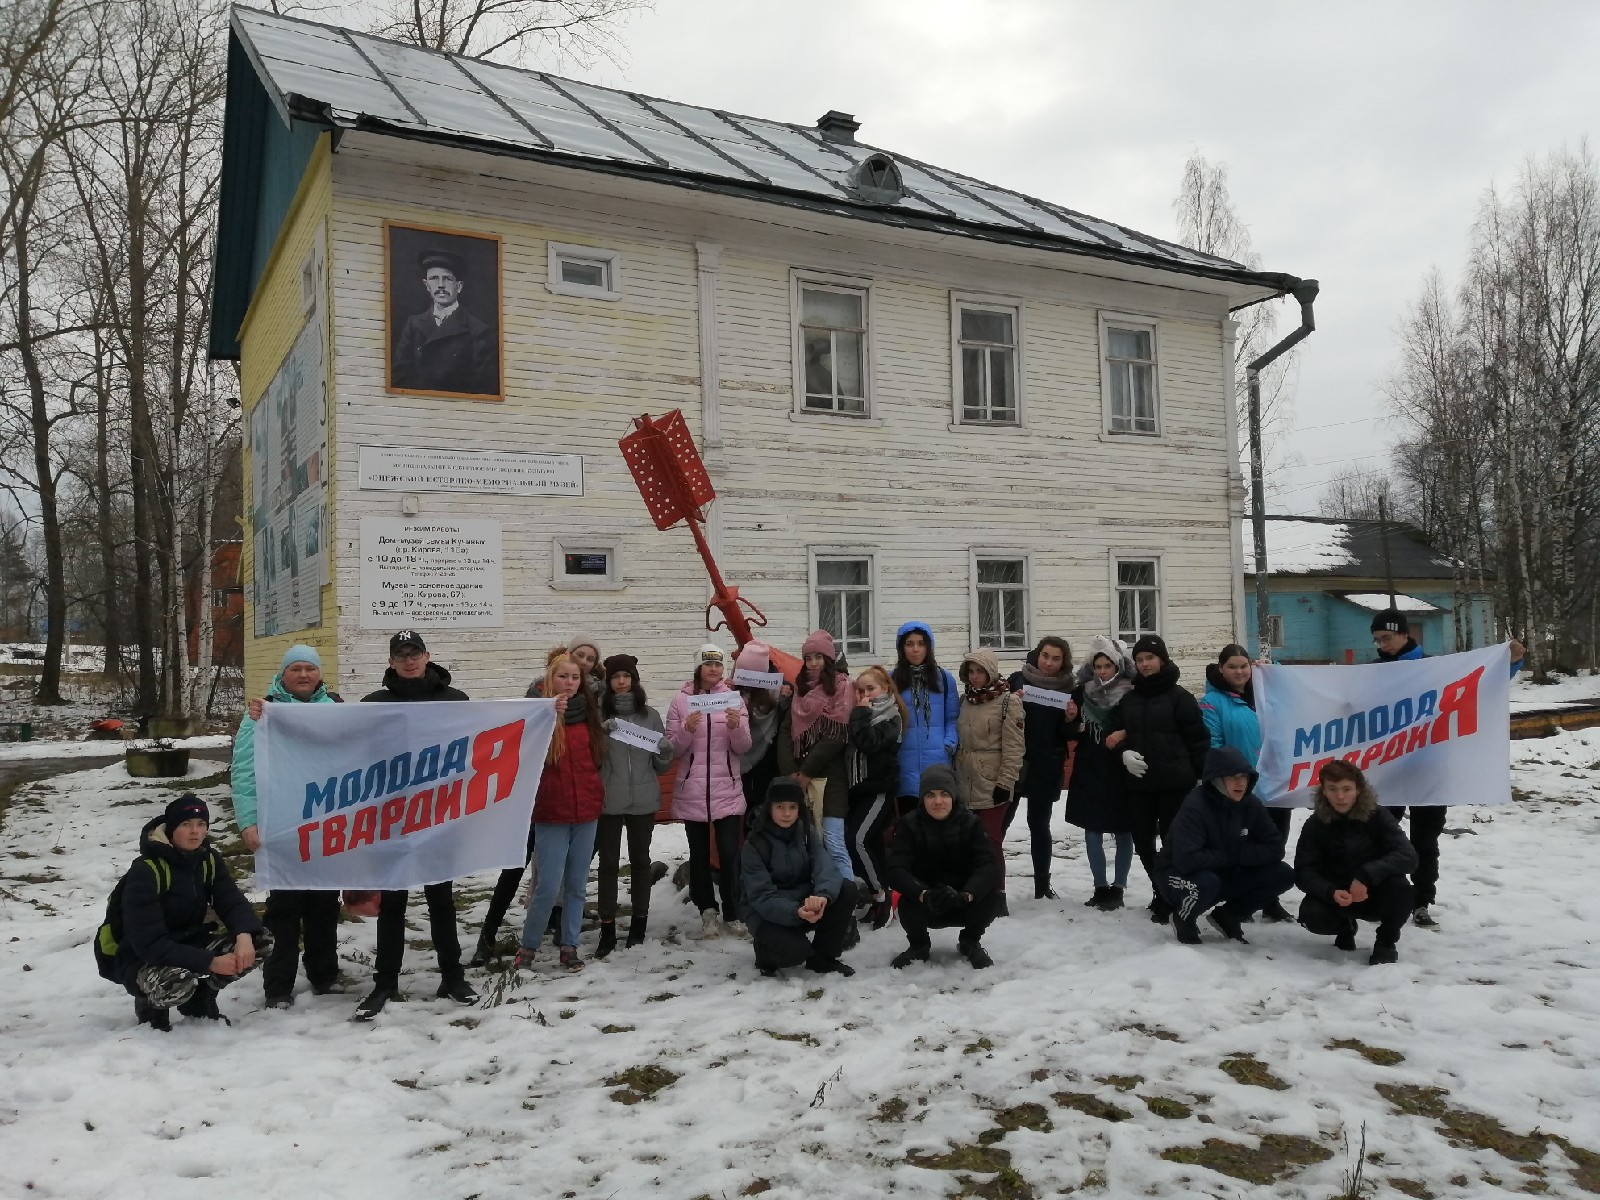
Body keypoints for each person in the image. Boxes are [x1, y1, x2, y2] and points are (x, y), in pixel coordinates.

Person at [1369, 608, 1524, 929]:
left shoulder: (1436, 667)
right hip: (1387, 770)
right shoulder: (1371, 672)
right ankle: (1386, 892)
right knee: (1382, 835)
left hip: (1430, 770)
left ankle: (1422, 900)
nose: (1382, 644)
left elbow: (1479, 683)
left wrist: (1509, 662)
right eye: (1377, 639)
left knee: (1424, 840)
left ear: (1403, 633)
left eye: (1386, 637)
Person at [354, 630, 477, 1020]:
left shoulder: (455, 701)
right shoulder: (374, 704)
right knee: (392, 903)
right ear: (391, 662)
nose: (409, 661)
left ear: (427, 656)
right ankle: (385, 982)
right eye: (401, 655)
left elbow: (481, 741)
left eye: (415, 653)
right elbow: (340, 740)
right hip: (392, 819)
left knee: (442, 900)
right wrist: (273, 715)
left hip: (439, 817)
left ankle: (452, 977)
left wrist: (547, 711)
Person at [233, 644, 343, 1008]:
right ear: (283, 674)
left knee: (325, 904)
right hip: (280, 823)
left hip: (326, 822)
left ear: (320, 675)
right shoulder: (262, 714)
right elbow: (245, 771)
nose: (303, 675)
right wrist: (248, 820)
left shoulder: (337, 711)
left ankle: (324, 975)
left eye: (310, 668)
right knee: (284, 909)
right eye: (295, 668)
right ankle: (278, 984)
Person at [112, 795, 269, 1030]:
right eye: (186, 825)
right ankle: (150, 1003)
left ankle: (200, 998)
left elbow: (232, 901)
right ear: (172, 828)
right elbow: (149, 944)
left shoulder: (208, 860)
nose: (195, 832)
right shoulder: (146, 870)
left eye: (201, 824)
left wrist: (244, 934)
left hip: (190, 942)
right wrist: (210, 962)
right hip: (141, 958)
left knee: (261, 941)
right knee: (178, 983)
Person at [1105, 634, 1209, 923]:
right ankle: (1160, 889)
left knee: (1173, 843)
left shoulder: (1180, 698)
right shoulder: (1130, 699)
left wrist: (1203, 778)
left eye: (1149, 658)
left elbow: (1198, 740)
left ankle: (1173, 894)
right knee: (1143, 841)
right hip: (1140, 786)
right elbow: (1112, 733)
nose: (1145, 664)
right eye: (1139, 660)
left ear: (1162, 660)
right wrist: (1123, 752)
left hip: (1176, 784)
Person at [513, 653, 607, 972]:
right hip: (552, 810)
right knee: (549, 885)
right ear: (550, 679)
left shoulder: (589, 714)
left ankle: (569, 945)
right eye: (563, 677)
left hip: (587, 809)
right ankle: (528, 946)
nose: (569, 683)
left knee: (577, 884)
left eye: (575, 678)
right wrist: (549, 717)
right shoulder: (538, 714)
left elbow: (597, 757)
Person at [1156, 747, 1295, 945]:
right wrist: (1231, 855)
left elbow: (1275, 847)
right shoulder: (1195, 806)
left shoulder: (1251, 804)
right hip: (1177, 874)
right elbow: (1187, 859)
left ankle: (1228, 916)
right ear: (1217, 780)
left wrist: (1237, 855)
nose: (1241, 783)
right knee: (1205, 883)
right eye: (1233, 777)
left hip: (1224, 869)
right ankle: (1183, 917)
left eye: (1244, 777)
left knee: (1283, 874)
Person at [1199, 644, 1293, 923]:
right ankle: (1242, 898)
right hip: (1241, 787)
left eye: (1244, 666)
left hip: (1276, 783)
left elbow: (1296, 691)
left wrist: (1272, 666)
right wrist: (1230, 779)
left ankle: (1269, 899)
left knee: (1275, 841)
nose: (1239, 672)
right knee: (1243, 846)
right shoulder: (1212, 702)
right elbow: (1214, 745)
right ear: (1221, 669)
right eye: (1232, 667)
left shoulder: (1267, 694)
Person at [666, 644, 752, 940]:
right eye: (708, 664)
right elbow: (672, 749)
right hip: (693, 790)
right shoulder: (681, 700)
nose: (714, 669)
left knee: (730, 854)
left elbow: (744, 746)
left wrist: (736, 727)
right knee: (699, 856)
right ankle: (708, 912)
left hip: (726, 788)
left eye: (718, 665)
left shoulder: (733, 699)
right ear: (698, 667)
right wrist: (686, 730)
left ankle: (733, 911)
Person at [1294, 760, 1418, 966]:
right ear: (1323, 791)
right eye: (1332, 789)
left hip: (1374, 890)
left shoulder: (1378, 816)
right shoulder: (1315, 825)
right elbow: (1304, 872)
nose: (1340, 797)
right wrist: (1330, 891)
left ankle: (1386, 941)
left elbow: (1408, 856)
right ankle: (1345, 927)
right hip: (1337, 895)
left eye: (1346, 789)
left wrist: (1366, 875)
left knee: (1402, 890)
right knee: (1311, 915)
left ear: (1358, 789)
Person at [738, 777, 858, 978]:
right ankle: (765, 951)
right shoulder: (754, 844)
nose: (787, 813)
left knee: (846, 889)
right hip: (764, 911)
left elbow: (825, 866)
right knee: (794, 955)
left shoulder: (805, 832)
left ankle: (823, 958)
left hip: (801, 903)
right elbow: (761, 896)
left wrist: (822, 896)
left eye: (793, 807)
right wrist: (796, 912)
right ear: (769, 808)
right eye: (780, 807)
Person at [885, 764, 1002, 969]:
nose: (938, 801)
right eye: (930, 795)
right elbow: (896, 869)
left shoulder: (971, 823)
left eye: (944, 794)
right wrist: (922, 893)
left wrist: (969, 893)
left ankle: (970, 941)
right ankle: (919, 945)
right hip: (927, 900)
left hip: (963, 899)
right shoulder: (909, 825)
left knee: (993, 896)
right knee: (906, 902)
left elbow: (989, 865)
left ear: (953, 797)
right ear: (922, 799)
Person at [594, 654, 673, 958]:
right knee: (608, 865)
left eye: (626, 676)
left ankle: (639, 925)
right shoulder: (600, 715)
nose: (622, 682)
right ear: (609, 683)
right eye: (616, 677)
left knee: (641, 863)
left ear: (634, 680)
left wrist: (666, 751)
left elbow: (661, 765)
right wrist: (600, 733)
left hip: (643, 801)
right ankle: (607, 929)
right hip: (609, 801)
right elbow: (592, 759)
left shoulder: (650, 716)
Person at [1064, 637, 1137, 910]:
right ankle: (1099, 886)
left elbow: (1140, 724)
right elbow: (1067, 732)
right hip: (1090, 766)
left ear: (1118, 666)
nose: (1103, 671)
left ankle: (1119, 887)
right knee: (1091, 828)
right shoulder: (1081, 692)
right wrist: (1071, 720)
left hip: (1121, 767)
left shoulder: (1132, 692)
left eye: (1108, 666)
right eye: (1098, 666)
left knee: (1123, 829)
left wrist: (1126, 736)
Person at [777, 631, 857, 881]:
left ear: (828, 659)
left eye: (818, 657)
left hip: (831, 778)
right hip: (802, 780)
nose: (813, 663)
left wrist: (807, 771)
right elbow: (786, 731)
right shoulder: (800, 691)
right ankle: (820, 897)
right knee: (811, 844)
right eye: (808, 658)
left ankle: (846, 902)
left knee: (833, 842)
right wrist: (791, 772)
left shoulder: (843, 687)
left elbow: (837, 735)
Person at [1005, 636, 1078, 900]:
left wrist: (1070, 719)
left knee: (1039, 825)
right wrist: (1010, 701)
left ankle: (1042, 885)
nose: (1048, 662)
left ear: (1063, 662)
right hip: (1015, 763)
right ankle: (992, 884)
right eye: (1045, 656)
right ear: (1037, 655)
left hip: (1047, 763)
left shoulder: (1070, 689)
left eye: (1055, 658)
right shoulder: (1017, 680)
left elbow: (1069, 733)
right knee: (1001, 823)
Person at [954, 648, 1024, 912]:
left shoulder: (1008, 702)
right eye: (971, 672)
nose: (975, 677)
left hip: (992, 780)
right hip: (964, 778)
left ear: (991, 672)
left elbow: (1015, 747)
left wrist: (1005, 783)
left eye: (980, 671)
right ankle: (972, 891)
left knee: (990, 839)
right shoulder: (966, 701)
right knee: (967, 840)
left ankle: (998, 893)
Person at [846, 665, 904, 929]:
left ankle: (883, 895)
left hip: (879, 788)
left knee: (857, 840)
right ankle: (878, 897)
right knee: (871, 844)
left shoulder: (891, 717)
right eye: (860, 690)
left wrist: (859, 712)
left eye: (871, 689)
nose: (865, 695)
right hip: (860, 789)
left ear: (886, 689)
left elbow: (867, 742)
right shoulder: (863, 714)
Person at [391, 249, 497, 395]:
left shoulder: (478, 331)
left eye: (447, 278)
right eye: (434, 278)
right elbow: (400, 377)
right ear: (427, 285)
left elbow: (482, 387)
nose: (440, 285)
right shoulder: (413, 325)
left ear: (459, 286)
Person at [890, 621, 961, 817]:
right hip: (904, 761)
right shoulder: (891, 679)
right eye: (909, 644)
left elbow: (952, 718)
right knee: (909, 822)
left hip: (937, 761)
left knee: (938, 821)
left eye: (921, 643)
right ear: (901, 648)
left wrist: (949, 742)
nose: (915, 650)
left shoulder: (944, 679)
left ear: (928, 647)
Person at [733, 640, 788, 817]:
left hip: (767, 761)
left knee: (763, 806)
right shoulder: (730, 693)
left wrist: (788, 693)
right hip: (738, 761)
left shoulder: (777, 693)